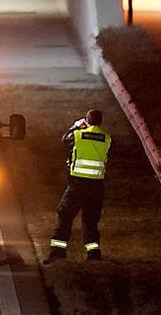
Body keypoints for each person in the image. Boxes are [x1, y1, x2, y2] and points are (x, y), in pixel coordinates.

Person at [44, 109, 112, 263]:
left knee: (65, 214)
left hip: (78, 184)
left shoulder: (78, 134)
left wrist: (75, 126)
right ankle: (93, 254)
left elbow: (64, 140)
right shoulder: (107, 137)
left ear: (86, 121)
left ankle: (57, 253)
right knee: (90, 219)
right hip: (97, 186)